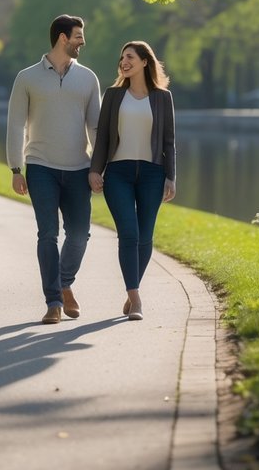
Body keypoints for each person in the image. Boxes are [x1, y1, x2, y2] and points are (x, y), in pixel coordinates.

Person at [7, 15, 102, 324]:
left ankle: (64, 283)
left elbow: (95, 127)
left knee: (79, 234)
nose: (82, 42)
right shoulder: (27, 77)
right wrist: (15, 168)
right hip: (40, 167)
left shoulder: (88, 78)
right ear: (63, 38)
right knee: (47, 234)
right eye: (78, 36)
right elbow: (15, 124)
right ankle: (53, 302)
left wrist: (99, 167)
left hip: (78, 168)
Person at [88, 41, 176, 322]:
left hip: (153, 173)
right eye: (122, 57)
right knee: (129, 233)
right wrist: (95, 170)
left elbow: (169, 142)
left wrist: (171, 177)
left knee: (145, 236)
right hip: (118, 174)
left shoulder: (163, 98)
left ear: (144, 62)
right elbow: (102, 137)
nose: (123, 62)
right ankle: (136, 297)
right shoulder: (114, 95)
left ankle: (130, 291)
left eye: (129, 57)